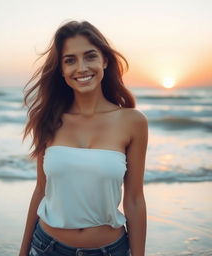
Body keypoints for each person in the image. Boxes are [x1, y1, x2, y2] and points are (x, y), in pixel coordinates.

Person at [19, 20, 148, 256]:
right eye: (70, 60)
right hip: (47, 247)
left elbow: (134, 199)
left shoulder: (133, 122)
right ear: (61, 69)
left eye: (90, 56)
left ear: (105, 61)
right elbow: (41, 190)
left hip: (110, 250)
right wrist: (23, 251)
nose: (81, 68)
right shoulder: (48, 118)